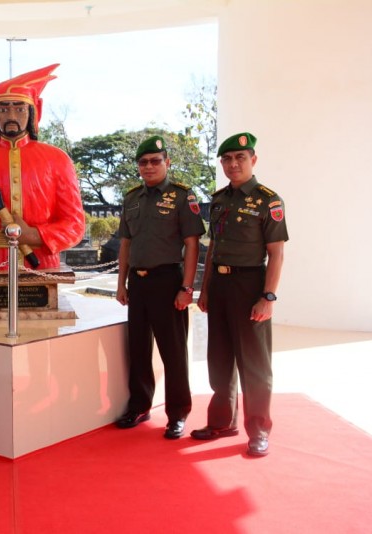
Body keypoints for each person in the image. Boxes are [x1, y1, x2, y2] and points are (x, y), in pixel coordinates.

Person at [191, 132, 288, 457]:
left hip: (250, 287)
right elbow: (214, 248)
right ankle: (222, 421)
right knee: (219, 359)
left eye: (240, 158)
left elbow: (276, 253)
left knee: (255, 365)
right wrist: (204, 290)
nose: (233, 164)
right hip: (219, 287)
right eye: (227, 159)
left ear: (253, 161)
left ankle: (259, 429)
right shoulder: (218, 200)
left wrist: (268, 297)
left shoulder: (268, 200)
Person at [0, 64, 85, 271]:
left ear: (33, 112)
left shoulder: (57, 160)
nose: (11, 115)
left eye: (19, 108)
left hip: (43, 267)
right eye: (3, 108)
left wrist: (32, 235)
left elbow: (74, 226)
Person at [114, 136, 205, 439]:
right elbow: (126, 243)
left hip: (168, 282)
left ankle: (177, 414)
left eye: (155, 160)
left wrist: (187, 288)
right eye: (143, 162)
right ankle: (140, 406)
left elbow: (192, 244)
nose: (149, 166)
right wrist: (121, 283)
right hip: (137, 284)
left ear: (167, 162)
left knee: (173, 351)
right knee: (138, 348)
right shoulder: (132, 198)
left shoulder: (182, 196)